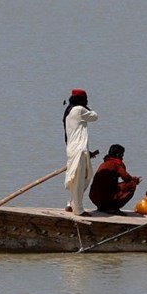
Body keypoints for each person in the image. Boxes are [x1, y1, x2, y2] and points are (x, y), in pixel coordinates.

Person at [63, 88, 99, 216]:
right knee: (79, 180)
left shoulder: (69, 111)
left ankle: (71, 203)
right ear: (81, 100)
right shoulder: (79, 110)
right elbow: (95, 116)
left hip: (73, 149)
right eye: (85, 99)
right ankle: (78, 210)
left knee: (82, 177)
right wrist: (87, 107)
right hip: (78, 150)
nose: (87, 101)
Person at [88, 144, 141, 213]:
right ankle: (112, 208)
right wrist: (135, 180)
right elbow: (126, 178)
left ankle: (103, 207)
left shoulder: (105, 163)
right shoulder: (116, 164)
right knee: (131, 184)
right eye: (122, 156)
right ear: (118, 155)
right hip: (104, 198)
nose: (122, 158)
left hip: (94, 198)